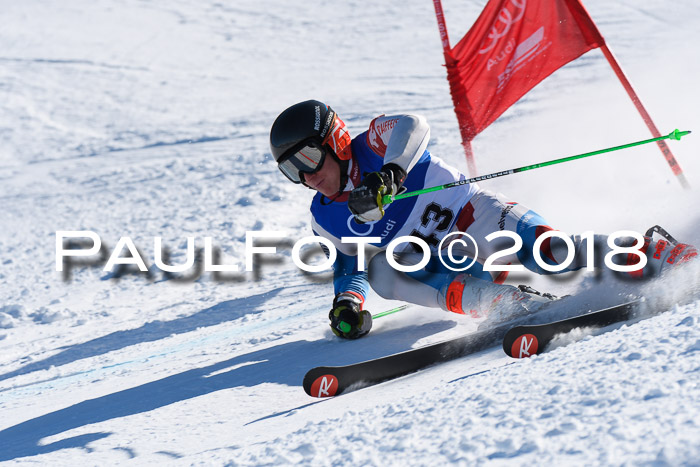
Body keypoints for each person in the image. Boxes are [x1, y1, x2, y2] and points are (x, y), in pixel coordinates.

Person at [269, 100, 697, 339]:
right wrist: (349, 303)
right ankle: (505, 304)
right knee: (381, 271)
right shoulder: (324, 216)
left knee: (552, 252)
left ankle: (658, 253)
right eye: (292, 170)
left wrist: (392, 172)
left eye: (308, 158)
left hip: (476, 217)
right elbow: (350, 267)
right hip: (440, 266)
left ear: (336, 140)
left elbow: (413, 125)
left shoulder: (375, 143)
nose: (307, 176)